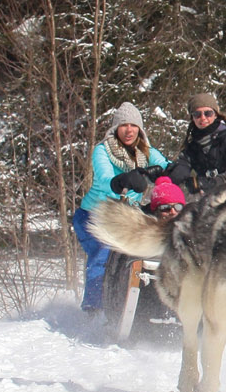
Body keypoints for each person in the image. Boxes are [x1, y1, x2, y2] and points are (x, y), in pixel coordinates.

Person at [72, 101, 167, 312]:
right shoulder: (103, 150)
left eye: (133, 126)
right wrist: (123, 180)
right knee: (104, 254)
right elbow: (106, 178)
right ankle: (94, 309)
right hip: (94, 216)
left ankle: (133, 305)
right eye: (124, 125)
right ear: (116, 129)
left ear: (140, 129)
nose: (129, 130)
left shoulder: (146, 152)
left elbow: (166, 165)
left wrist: (176, 172)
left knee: (141, 255)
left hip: (126, 217)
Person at [175, 90, 226, 191]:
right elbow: (180, 169)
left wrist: (209, 182)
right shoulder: (192, 145)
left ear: (215, 114)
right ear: (192, 117)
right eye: (197, 114)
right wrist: (163, 175)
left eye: (208, 113)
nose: (203, 118)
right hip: (212, 199)